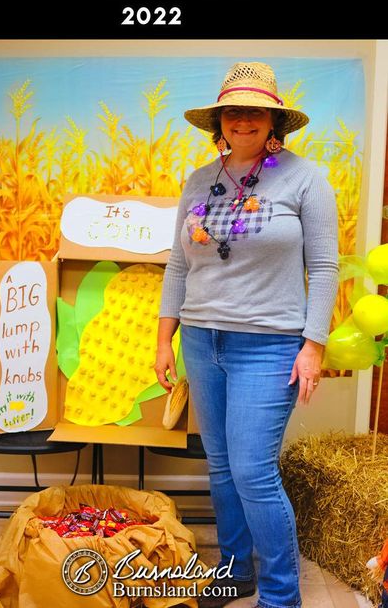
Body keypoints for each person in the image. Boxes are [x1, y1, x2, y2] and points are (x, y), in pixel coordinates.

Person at [155, 61, 339, 608]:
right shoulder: (198, 181)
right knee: (219, 464)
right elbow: (177, 267)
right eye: (233, 110)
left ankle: (281, 596)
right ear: (219, 121)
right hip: (202, 342)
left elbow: (325, 268)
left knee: (253, 471)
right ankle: (235, 573)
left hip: (270, 344)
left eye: (255, 110)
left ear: (273, 119)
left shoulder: (307, 178)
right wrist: (165, 339)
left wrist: (313, 346)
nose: (243, 119)